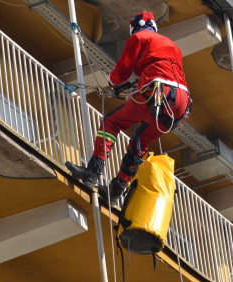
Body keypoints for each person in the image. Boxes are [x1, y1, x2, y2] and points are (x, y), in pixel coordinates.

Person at [66, 11, 190, 204]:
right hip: (180, 104)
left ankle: (93, 172)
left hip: (159, 92)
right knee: (140, 142)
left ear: (135, 28)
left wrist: (112, 81)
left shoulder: (139, 37)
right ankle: (117, 189)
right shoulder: (172, 45)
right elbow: (164, 70)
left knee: (111, 123)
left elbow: (122, 72)